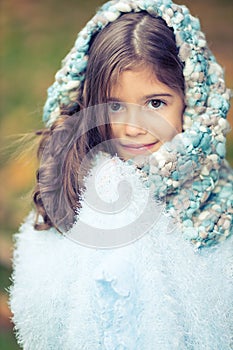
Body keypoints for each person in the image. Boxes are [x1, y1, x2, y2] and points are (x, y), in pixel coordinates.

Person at [9, 0, 233, 349]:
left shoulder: (216, 209)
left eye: (156, 103)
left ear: (193, 101)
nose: (133, 128)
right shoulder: (76, 193)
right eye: (114, 106)